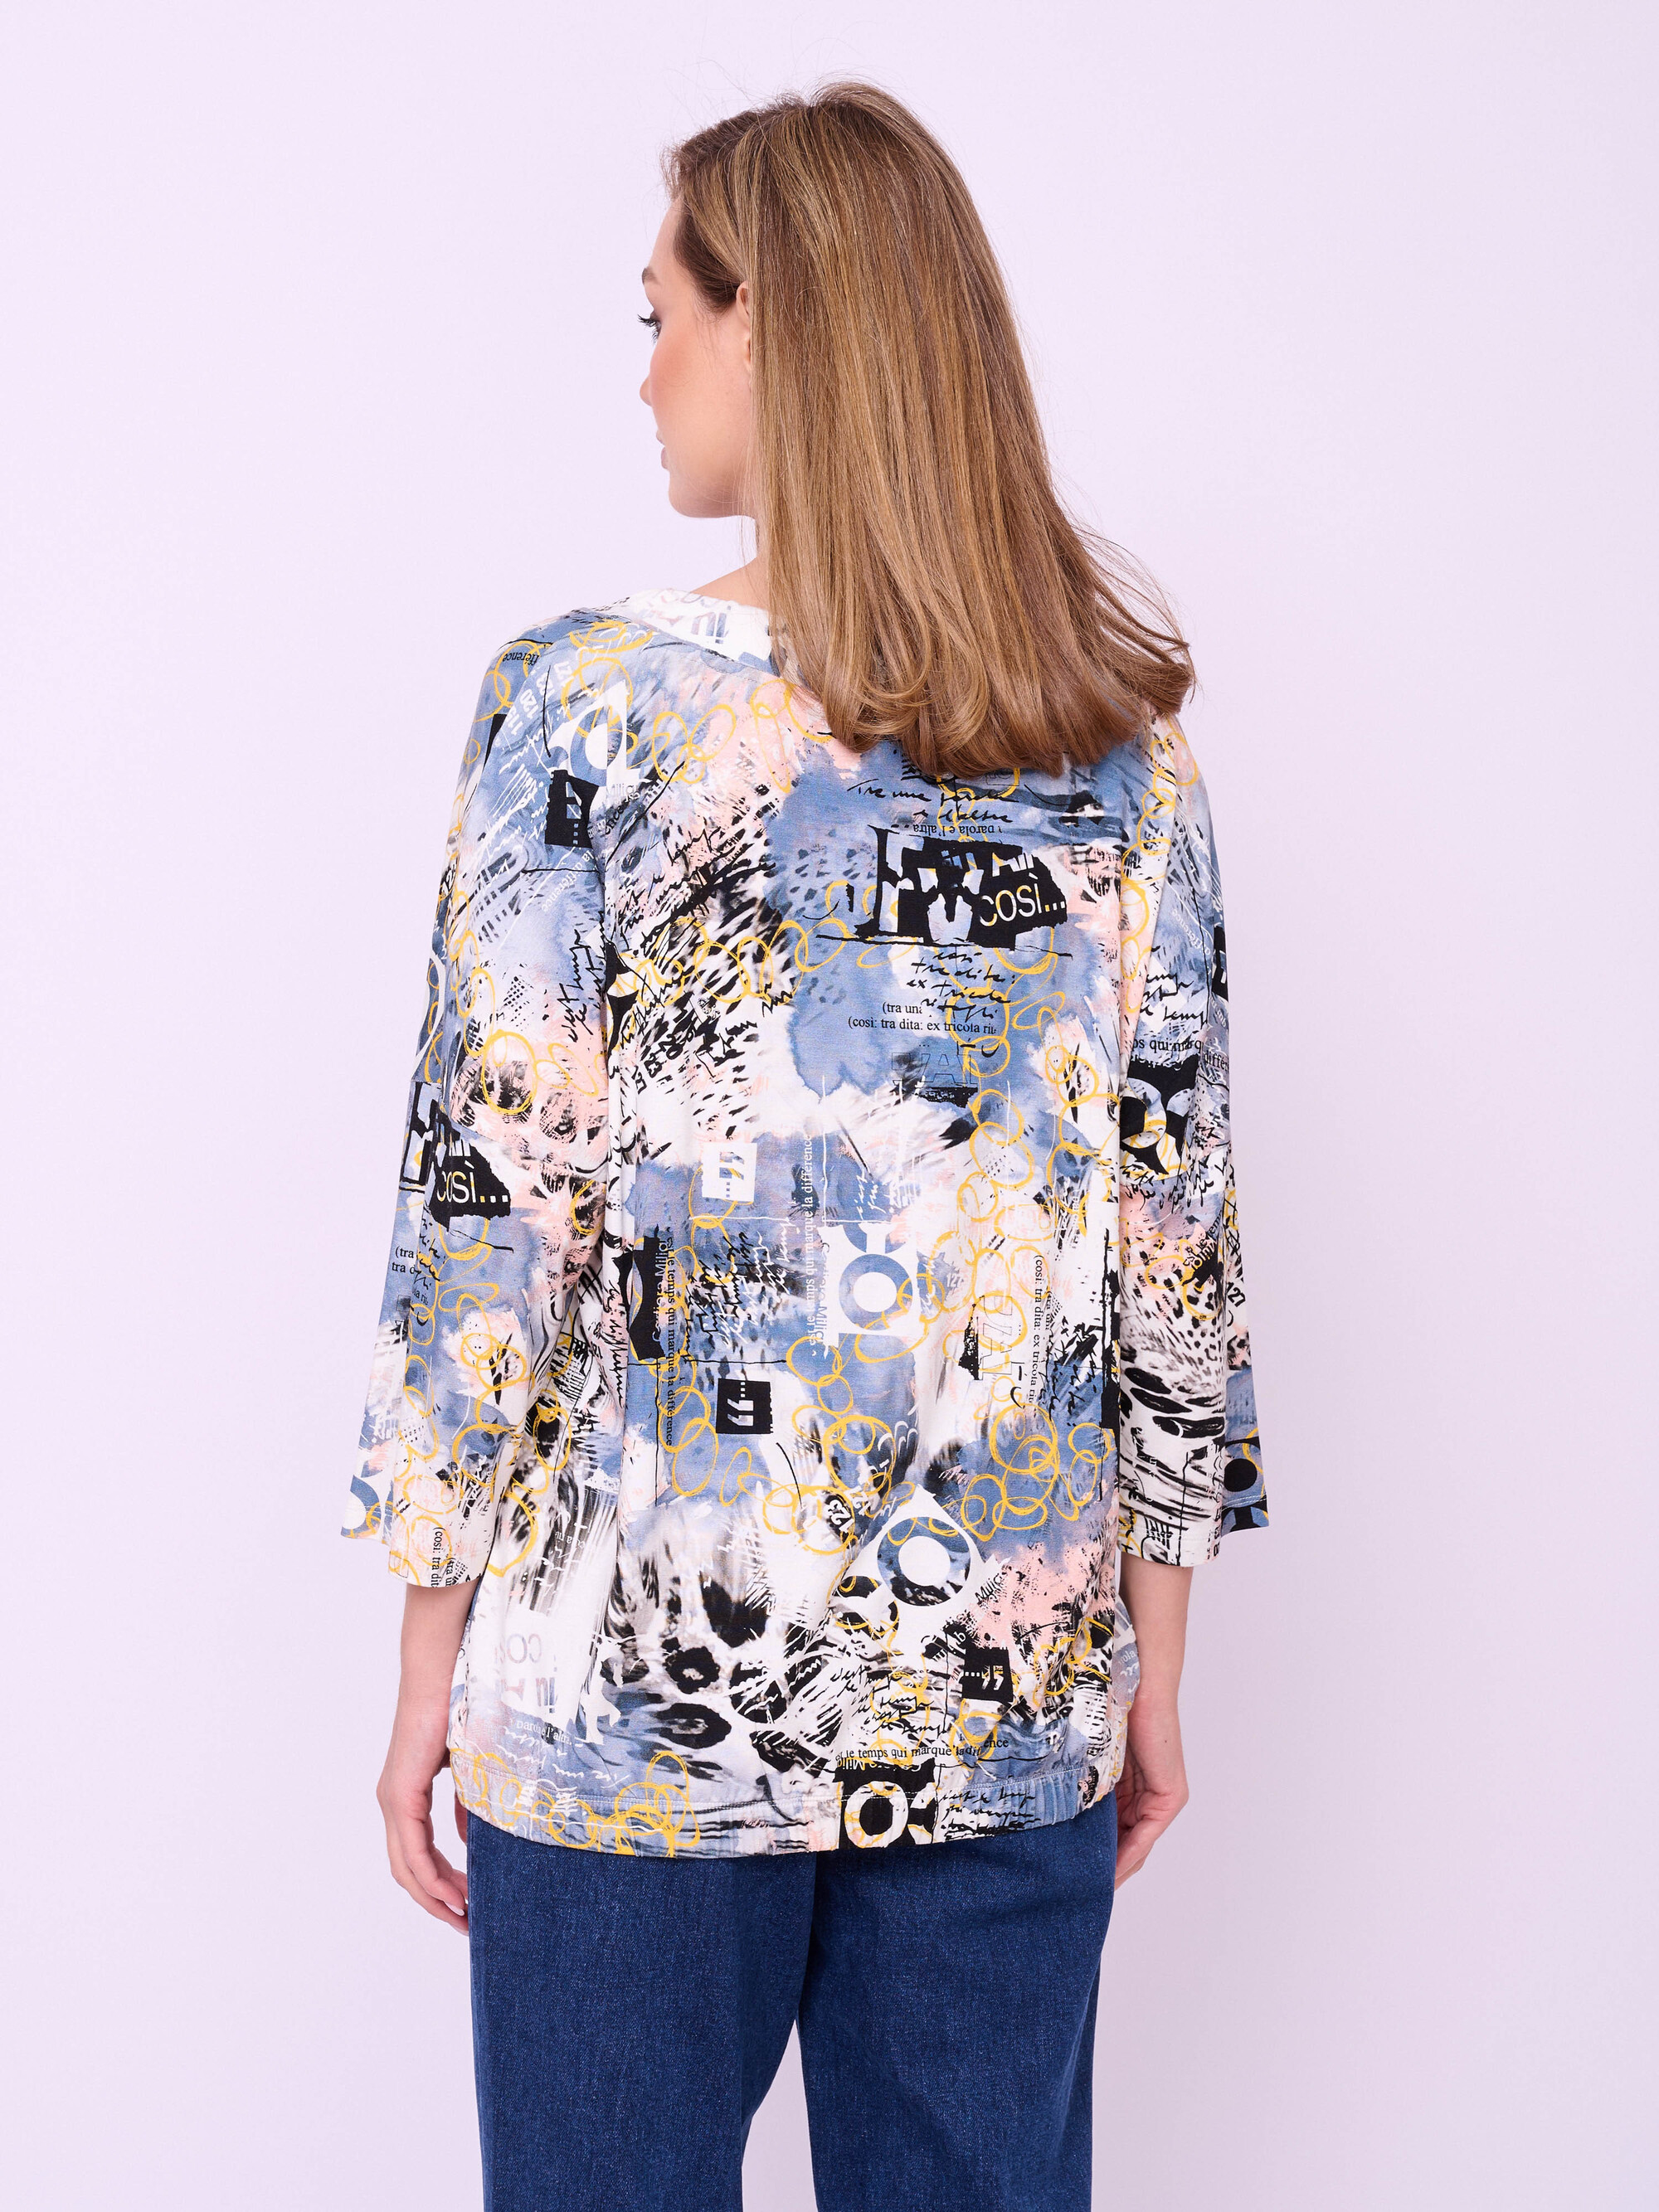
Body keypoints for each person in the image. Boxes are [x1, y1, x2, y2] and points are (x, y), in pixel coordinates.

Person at [346, 80, 1267, 2212]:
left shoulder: (584, 707)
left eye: (660, 310)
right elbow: (1174, 1249)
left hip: (622, 1716)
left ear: (770, 322)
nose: (643, 368)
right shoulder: (1116, 753)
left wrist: (425, 1663)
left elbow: (490, 1212)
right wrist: (1154, 1661)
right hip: (1002, 1696)